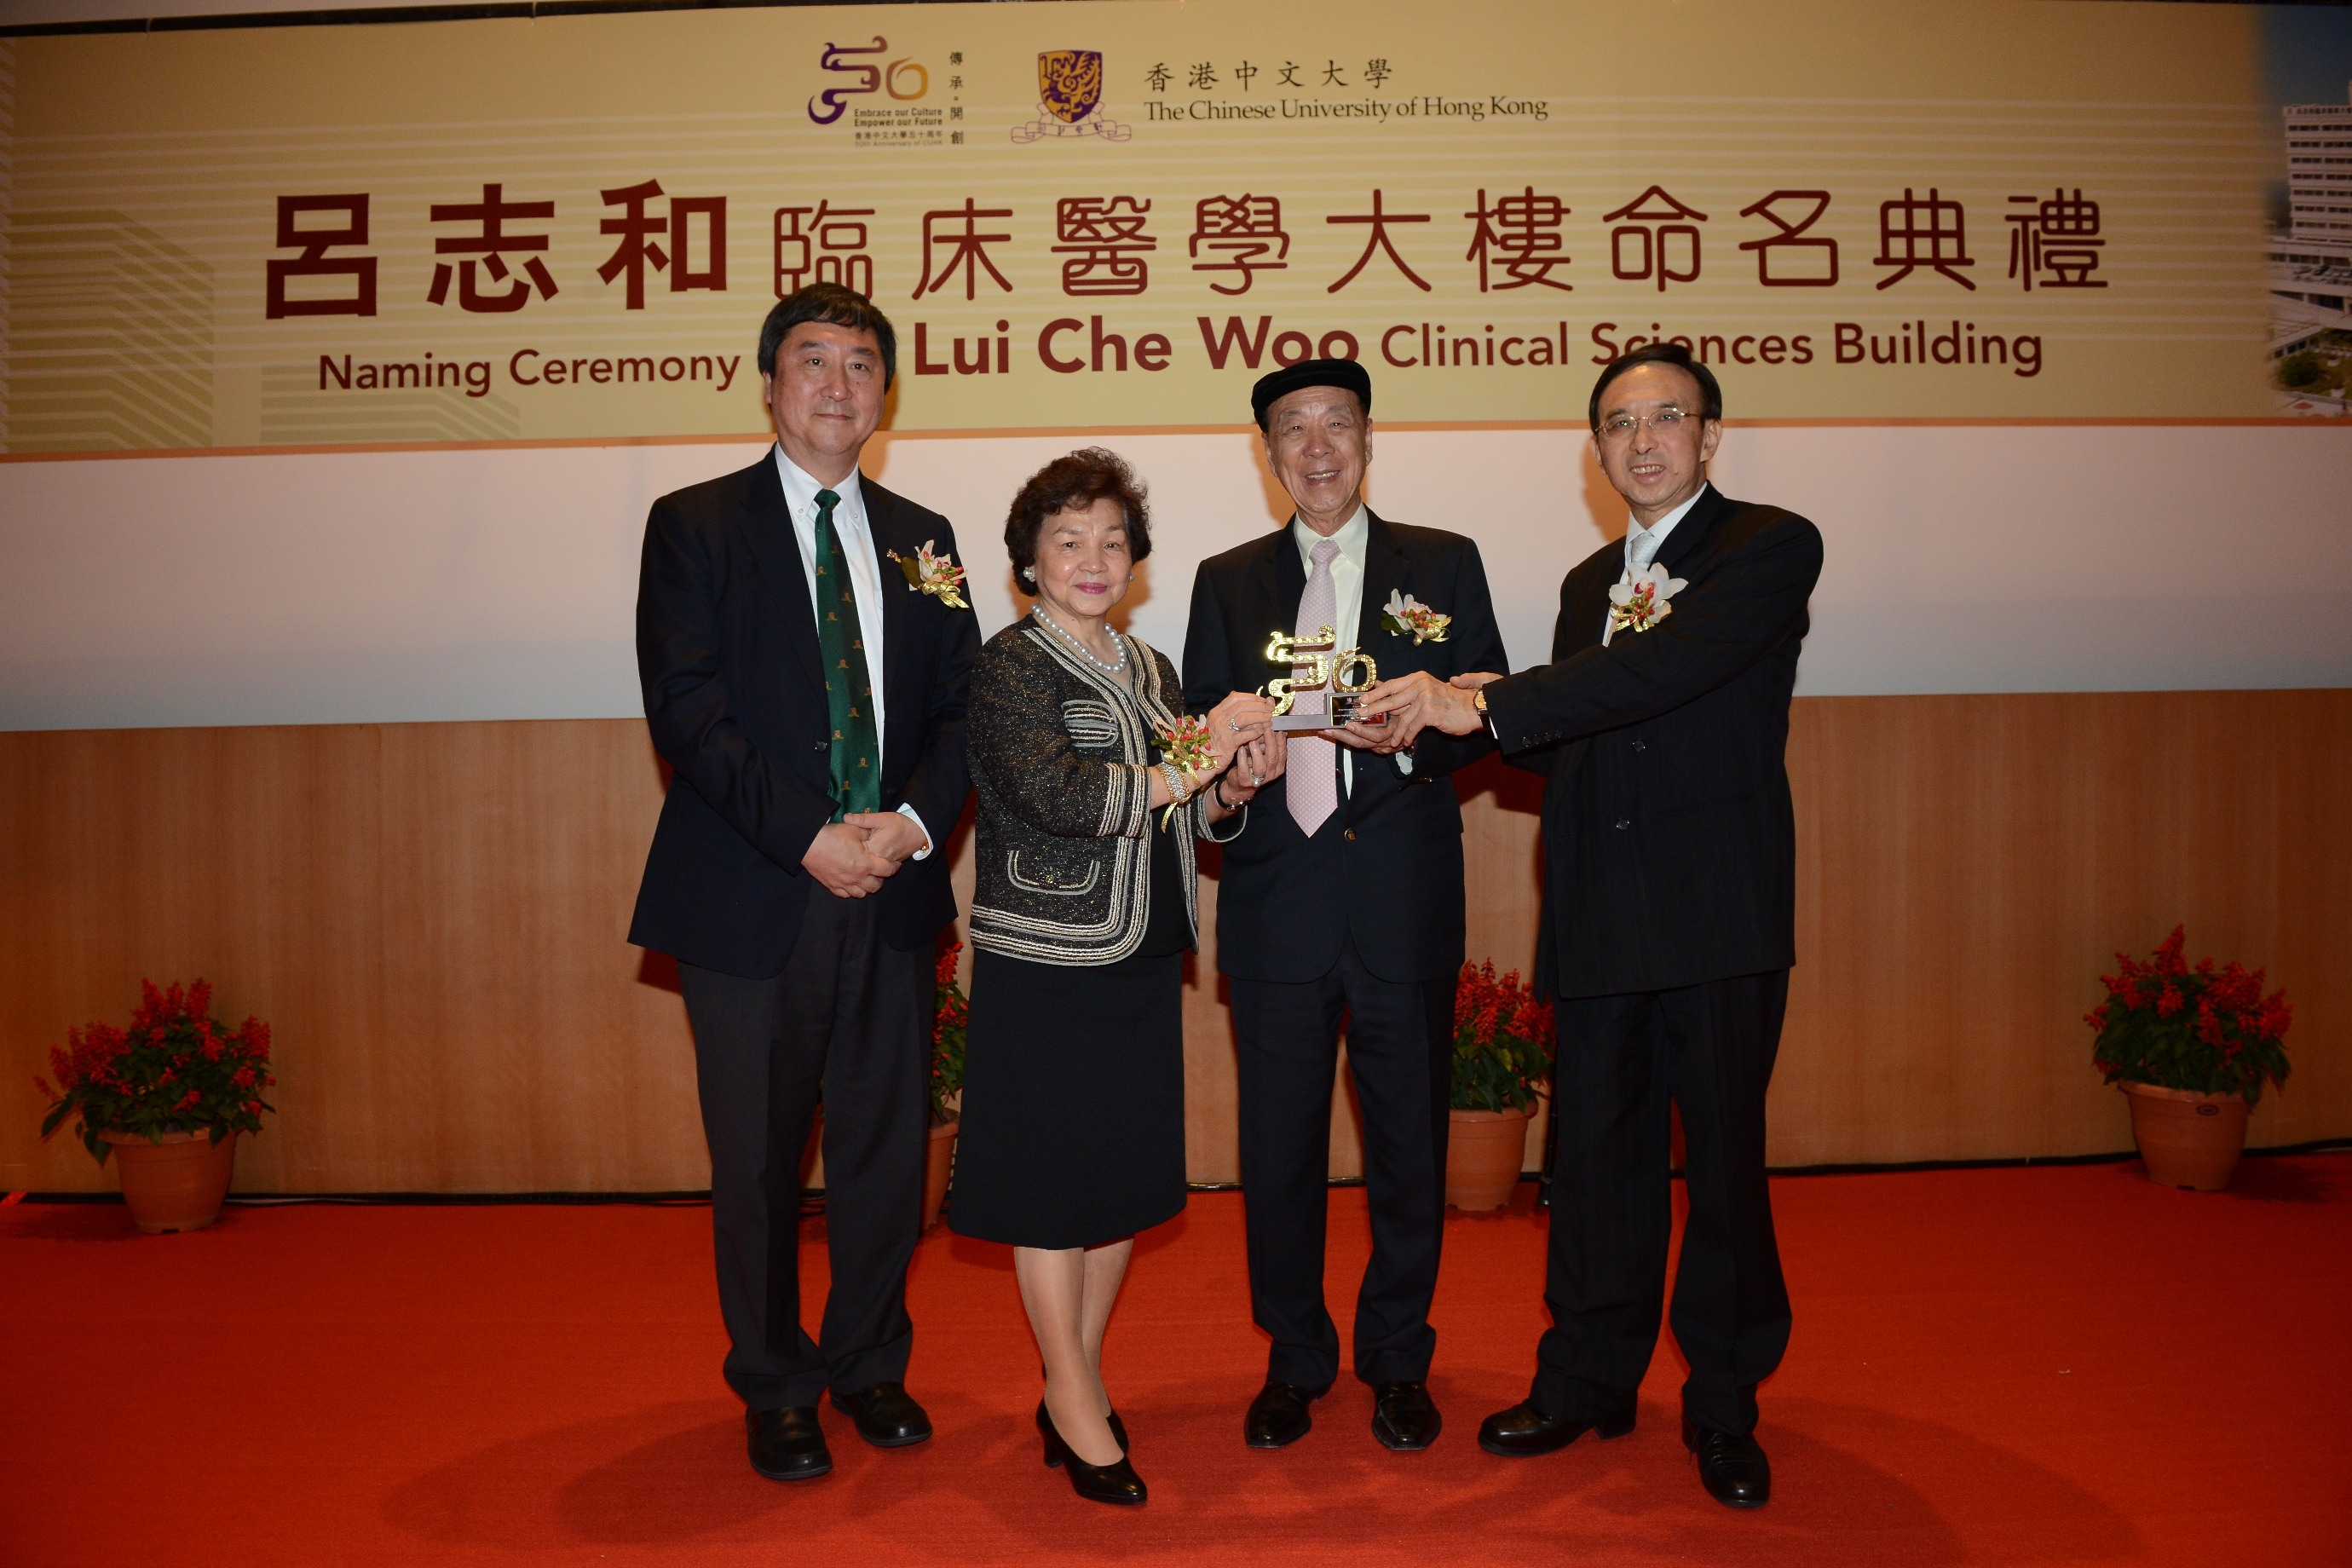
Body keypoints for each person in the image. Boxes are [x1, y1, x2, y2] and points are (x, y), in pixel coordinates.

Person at [1357, 342, 1824, 1509]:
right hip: (1604, 918)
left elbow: (1661, 675)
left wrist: (1480, 702)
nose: (1646, 439)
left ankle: (1722, 1404)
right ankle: (1586, 1382)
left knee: (1720, 1169)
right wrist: (1421, 725)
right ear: (1597, 449)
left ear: (1710, 437)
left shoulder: (1767, 547)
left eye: (1669, 417)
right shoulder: (1583, 585)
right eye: (1620, 424)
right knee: (1594, 1165)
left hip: (1717, 915)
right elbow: (1570, 736)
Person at [628, 284, 979, 1483]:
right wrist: (810, 837)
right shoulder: (695, 524)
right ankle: (775, 1381)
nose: (839, 385)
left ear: (889, 394)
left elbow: (959, 712)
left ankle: (870, 1361)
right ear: (770, 385)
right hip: (752, 897)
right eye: (814, 363)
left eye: (863, 366)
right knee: (762, 1161)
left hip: (891, 891)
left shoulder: (926, 540)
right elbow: (688, 709)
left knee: (886, 1152)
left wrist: (914, 827)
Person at [1181, 360, 1508, 1454]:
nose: (1317, 447)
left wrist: (1426, 732)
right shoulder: (1226, 580)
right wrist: (1231, 773)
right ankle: (1295, 1359)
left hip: (1399, 900)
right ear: (1267, 453)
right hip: (1277, 905)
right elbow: (1195, 755)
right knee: (1276, 1153)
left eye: (1337, 425)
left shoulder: (1444, 562)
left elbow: (1491, 706)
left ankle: (1398, 1359)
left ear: (1368, 440)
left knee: (1409, 1147)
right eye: (1292, 430)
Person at [952, 447, 1278, 1507]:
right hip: (1047, 960)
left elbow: (1185, 813)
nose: (1094, 559)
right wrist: (1193, 762)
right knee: (1052, 1188)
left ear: (1134, 559)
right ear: (1030, 563)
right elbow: (1063, 796)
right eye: (1068, 541)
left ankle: (1070, 1379)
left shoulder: (1152, 669)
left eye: (1111, 540)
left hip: (1140, 954)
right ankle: (1080, 1397)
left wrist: (1229, 787)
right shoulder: (1008, 665)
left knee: (1117, 1186)